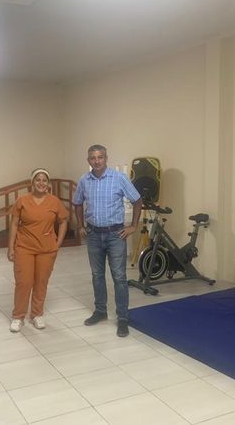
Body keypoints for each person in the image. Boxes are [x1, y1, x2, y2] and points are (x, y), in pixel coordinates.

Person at [73, 144, 142, 337]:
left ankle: (123, 318)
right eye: (93, 158)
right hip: (93, 235)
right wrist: (80, 226)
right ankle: (100, 311)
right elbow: (77, 203)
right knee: (97, 275)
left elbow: (137, 200)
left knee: (119, 277)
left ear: (106, 158)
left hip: (115, 235)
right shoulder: (84, 180)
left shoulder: (119, 178)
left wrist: (133, 226)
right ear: (88, 160)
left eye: (100, 157)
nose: (97, 161)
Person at [7, 168, 68, 332]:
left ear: (48, 184)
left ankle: (36, 314)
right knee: (24, 282)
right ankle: (18, 316)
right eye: (38, 180)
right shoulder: (22, 201)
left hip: (47, 249)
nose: (41, 183)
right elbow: (14, 224)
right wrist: (10, 247)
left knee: (41, 282)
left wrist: (58, 242)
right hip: (24, 247)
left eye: (44, 180)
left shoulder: (54, 202)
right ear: (32, 183)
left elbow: (63, 221)